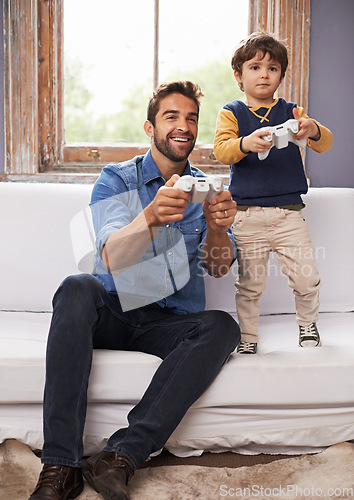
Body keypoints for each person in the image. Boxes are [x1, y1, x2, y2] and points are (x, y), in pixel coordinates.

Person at [29, 81, 240, 500]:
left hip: (168, 321)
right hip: (115, 311)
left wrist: (217, 229)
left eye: (192, 118)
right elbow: (110, 258)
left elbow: (218, 268)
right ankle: (61, 467)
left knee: (221, 326)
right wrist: (149, 217)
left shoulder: (205, 190)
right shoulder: (115, 179)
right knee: (76, 287)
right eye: (172, 117)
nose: (184, 126)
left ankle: (121, 456)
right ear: (150, 127)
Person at [214, 32, 333, 355]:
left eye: (272, 68)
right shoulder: (232, 113)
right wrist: (246, 143)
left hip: (289, 215)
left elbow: (325, 143)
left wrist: (312, 129)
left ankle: (308, 324)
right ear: (239, 75)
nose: (264, 74)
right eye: (255, 67)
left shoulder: (293, 112)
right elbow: (222, 151)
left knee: (306, 279)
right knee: (250, 285)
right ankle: (248, 336)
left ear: (282, 74)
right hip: (247, 217)